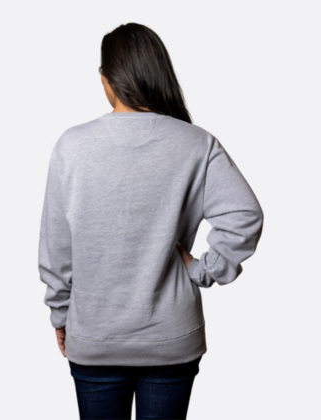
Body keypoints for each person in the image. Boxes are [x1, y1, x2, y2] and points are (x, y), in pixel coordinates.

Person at [38, 22, 264, 420]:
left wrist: (61, 314)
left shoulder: (71, 146)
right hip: (171, 337)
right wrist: (200, 270)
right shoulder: (196, 143)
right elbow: (244, 216)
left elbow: (56, 248)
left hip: (96, 337)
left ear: (109, 78)